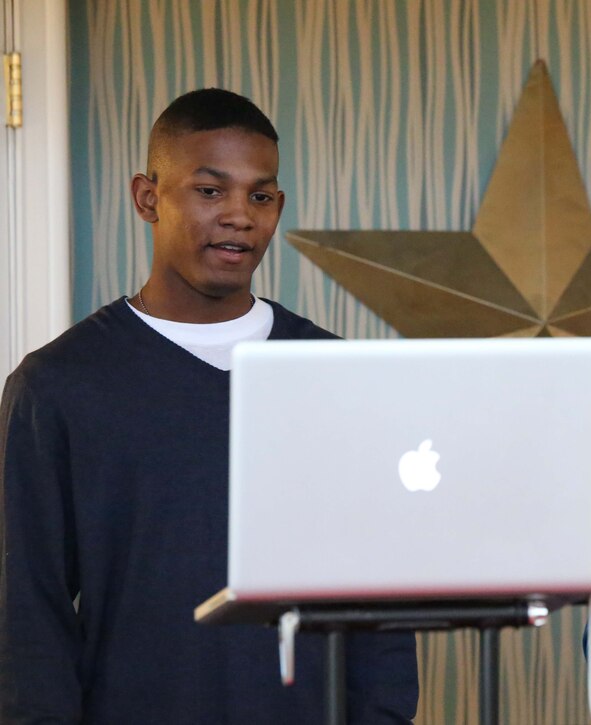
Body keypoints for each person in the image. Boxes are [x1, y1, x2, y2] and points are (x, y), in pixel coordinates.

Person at [0, 89, 418, 723]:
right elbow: (27, 616)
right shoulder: (57, 385)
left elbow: (379, 600)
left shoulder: (337, 375)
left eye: (260, 197)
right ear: (148, 198)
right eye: (209, 190)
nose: (239, 216)